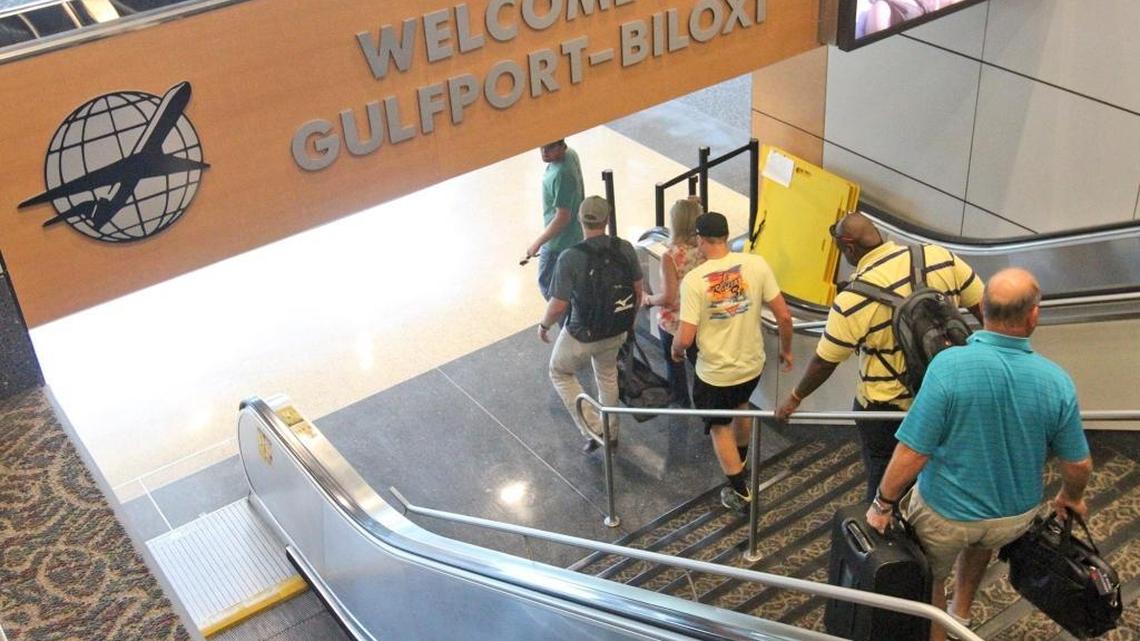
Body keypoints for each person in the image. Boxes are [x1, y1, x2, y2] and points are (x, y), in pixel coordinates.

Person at [865, 268, 1092, 641]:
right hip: (1014, 517)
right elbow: (1078, 463)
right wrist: (1072, 497)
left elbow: (913, 451)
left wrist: (883, 503)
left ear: (981, 310)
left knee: (930, 579)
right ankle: (963, 615)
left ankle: (941, 627)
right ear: (1033, 315)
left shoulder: (949, 367)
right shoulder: (1057, 381)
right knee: (982, 540)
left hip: (945, 513)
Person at [776, 212, 984, 501]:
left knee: (885, 474)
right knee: (941, 467)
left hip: (887, 408)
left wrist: (795, 398)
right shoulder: (938, 256)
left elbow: (825, 361)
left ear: (849, 247)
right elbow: (985, 307)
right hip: (950, 392)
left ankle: (883, 526)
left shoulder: (853, 298)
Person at [672, 212, 794, 510]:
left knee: (719, 425)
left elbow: (685, 338)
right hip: (752, 363)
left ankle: (740, 492)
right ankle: (739, 461)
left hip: (715, 373)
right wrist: (787, 350)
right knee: (741, 407)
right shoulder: (756, 263)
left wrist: (675, 352)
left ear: (700, 240)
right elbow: (785, 316)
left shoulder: (694, 280)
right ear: (726, 236)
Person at [538, 196, 643, 452]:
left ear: (580, 220)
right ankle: (612, 431)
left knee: (560, 372)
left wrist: (544, 325)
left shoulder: (570, 257)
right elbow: (638, 292)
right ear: (607, 220)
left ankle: (594, 428)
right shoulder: (625, 248)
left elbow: (559, 305)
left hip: (582, 333)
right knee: (607, 375)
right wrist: (627, 322)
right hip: (616, 328)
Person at [641, 197, 706, 407]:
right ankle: (704, 403)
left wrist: (649, 300)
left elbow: (668, 297)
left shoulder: (671, 257)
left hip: (674, 323)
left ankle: (682, 401)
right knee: (701, 363)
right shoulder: (706, 251)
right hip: (701, 319)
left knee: (674, 362)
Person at [528, 139, 585, 301]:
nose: (544, 152)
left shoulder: (562, 174)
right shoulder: (570, 154)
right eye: (542, 146)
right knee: (568, 286)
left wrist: (538, 243)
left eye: (550, 147)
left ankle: (567, 323)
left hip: (558, 243)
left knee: (550, 288)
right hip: (574, 236)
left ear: (562, 145)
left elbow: (562, 217)